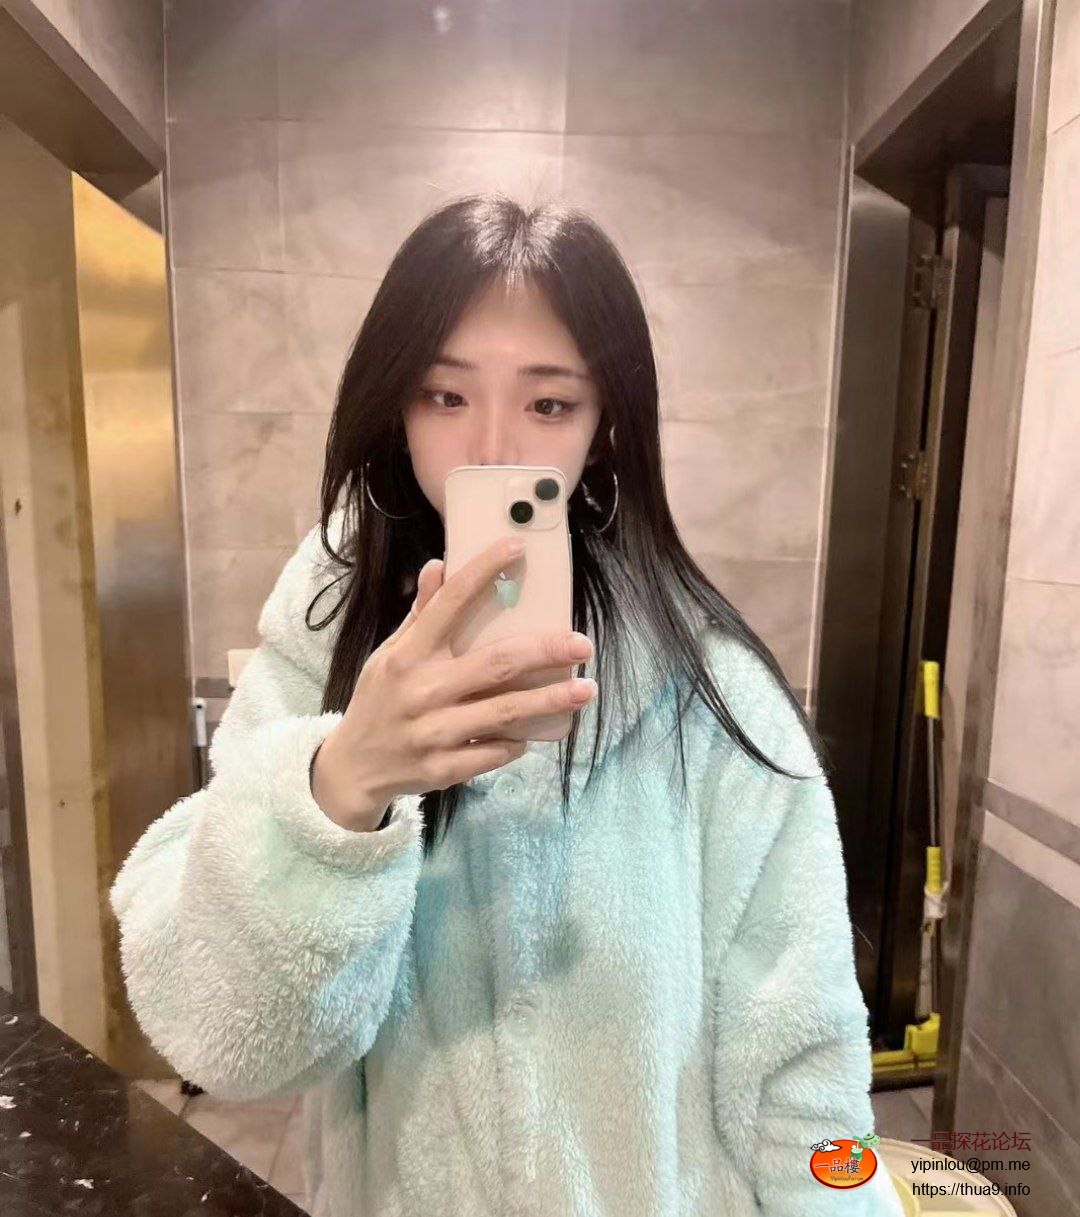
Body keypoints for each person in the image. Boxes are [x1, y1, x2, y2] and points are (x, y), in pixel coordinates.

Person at [110, 194, 902, 1216]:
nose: (491, 447)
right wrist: (338, 789)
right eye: (445, 395)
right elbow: (235, 1046)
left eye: (549, 405)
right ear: (395, 408)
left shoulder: (711, 695)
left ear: (605, 425)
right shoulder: (324, 655)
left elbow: (809, 1073)